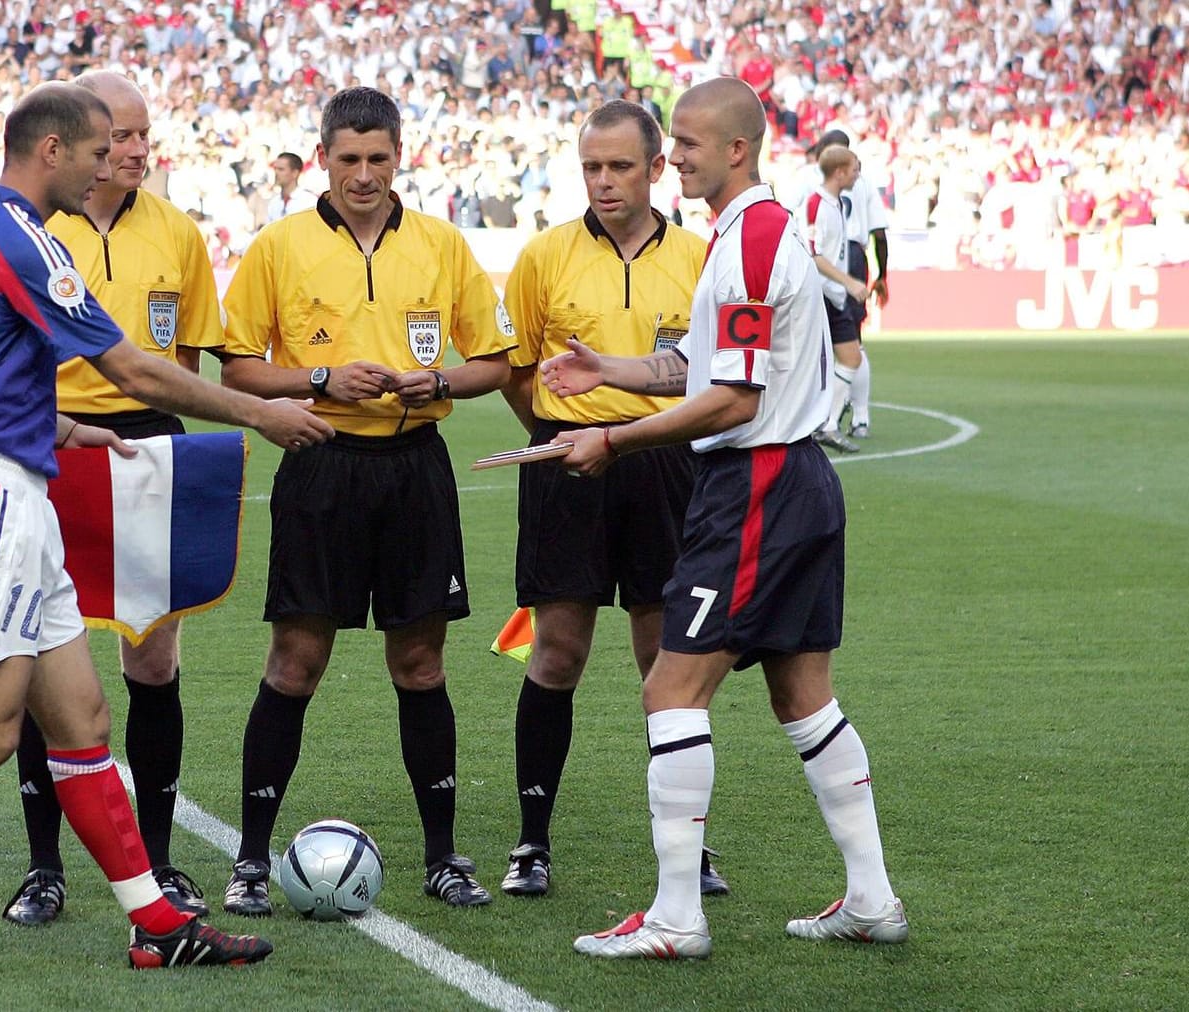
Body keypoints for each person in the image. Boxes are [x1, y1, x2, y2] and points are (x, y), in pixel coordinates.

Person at [0, 82, 332, 985]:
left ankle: (156, 922)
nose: (107, 166)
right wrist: (260, 413)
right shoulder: (22, 236)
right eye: (96, 151)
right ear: (50, 151)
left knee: (82, 719)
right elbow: (136, 368)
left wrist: (57, 427)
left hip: (16, 486)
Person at [544, 78, 907, 959]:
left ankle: (675, 917)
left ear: (736, 149)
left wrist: (614, 442)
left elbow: (732, 402)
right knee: (800, 693)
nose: (676, 159)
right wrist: (613, 370)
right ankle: (871, 898)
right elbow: (707, 369)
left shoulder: (747, 238)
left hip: (756, 486)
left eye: (690, 145)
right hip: (800, 481)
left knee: (670, 689)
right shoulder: (760, 231)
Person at [215, 86, 514, 916]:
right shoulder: (279, 246)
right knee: (295, 663)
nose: (362, 174)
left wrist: (440, 378)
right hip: (320, 465)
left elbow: (493, 362)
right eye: (347, 159)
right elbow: (238, 367)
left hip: (415, 468)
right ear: (322, 159)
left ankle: (443, 858)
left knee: (419, 664)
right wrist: (321, 378)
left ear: (398, 156)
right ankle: (246, 862)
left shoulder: (442, 244)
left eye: (377, 157)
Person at [0, 70, 224, 928]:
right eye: (118, 136)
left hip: (150, 448)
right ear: (82, 139)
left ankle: (159, 861)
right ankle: (44, 866)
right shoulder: (32, 225)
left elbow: (186, 367)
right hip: (48, 447)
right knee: (33, 658)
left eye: (142, 135)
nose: (134, 150)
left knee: (152, 661)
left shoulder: (178, 233)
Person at [497, 99, 729, 900]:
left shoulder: (701, 259)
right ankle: (531, 843)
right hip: (567, 467)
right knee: (556, 653)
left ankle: (686, 847)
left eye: (619, 166)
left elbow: (710, 376)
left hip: (667, 468)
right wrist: (561, 434)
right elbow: (516, 370)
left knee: (666, 663)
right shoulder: (542, 257)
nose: (602, 181)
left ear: (656, 170)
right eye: (591, 167)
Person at [800, 129, 887, 440]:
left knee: (847, 353)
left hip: (838, 280)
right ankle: (846, 418)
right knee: (839, 351)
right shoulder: (819, 201)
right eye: (854, 169)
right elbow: (815, 252)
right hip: (827, 281)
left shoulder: (830, 197)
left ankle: (831, 422)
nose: (857, 175)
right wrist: (857, 281)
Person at [262, 151, 315, 225]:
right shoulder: (274, 202)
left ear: (295, 173)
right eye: (275, 169)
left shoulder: (309, 202)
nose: (276, 173)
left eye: (281, 169)